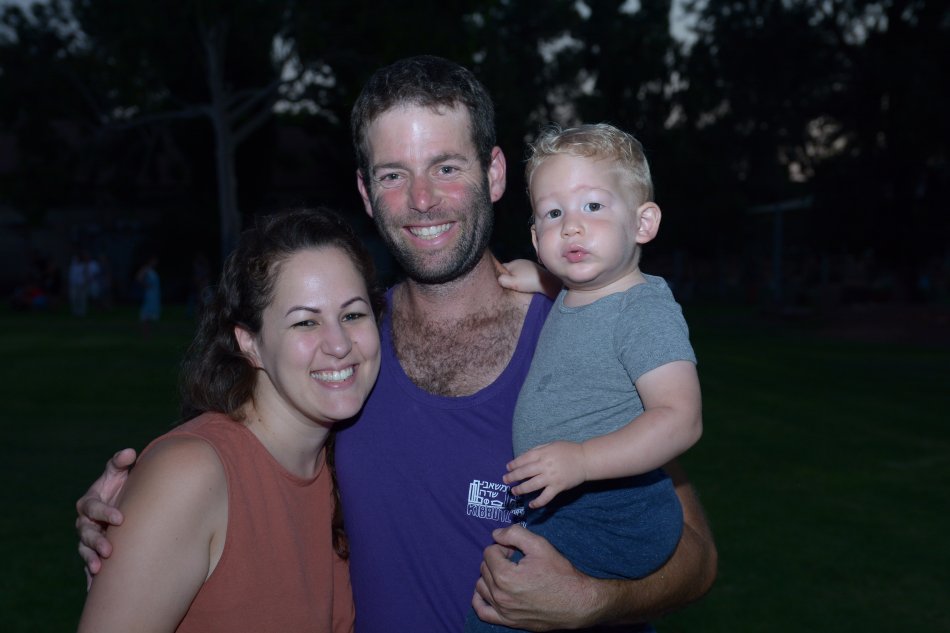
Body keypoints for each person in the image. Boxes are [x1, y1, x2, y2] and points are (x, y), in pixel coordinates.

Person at [76, 56, 717, 632]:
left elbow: (696, 554)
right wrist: (139, 522)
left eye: (446, 167)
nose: (422, 200)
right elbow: (243, 462)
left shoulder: (580, 327)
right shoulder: (345, 358)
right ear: (365, 191)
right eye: (393, 175)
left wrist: (594, 600)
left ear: (494, 173)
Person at [76, 207, 382, 632]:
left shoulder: (352, 463)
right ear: (250, 343)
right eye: (305, 322)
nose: (339, 344)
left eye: (352, 315)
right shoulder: (191, 474)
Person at [465, 123, 703, 633]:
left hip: (615, 511)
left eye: (593, 206)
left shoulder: (644, 309)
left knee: (500, 611)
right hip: (572, 508)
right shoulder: (581, 294)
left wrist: (583, 459)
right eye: (554, 214)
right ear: (536, 237)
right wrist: (541, 277)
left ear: (642, 223)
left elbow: (680, 419)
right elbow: (583, 304)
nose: (572, 227)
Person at [136, 255, 162, 335]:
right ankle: (145, 333)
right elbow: (139, 278)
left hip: (154, 295)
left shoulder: (152, 270)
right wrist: (145, 285)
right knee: (146, 315)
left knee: (150, 316)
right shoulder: (146, 269)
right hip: (149, 295)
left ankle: (149, 334)